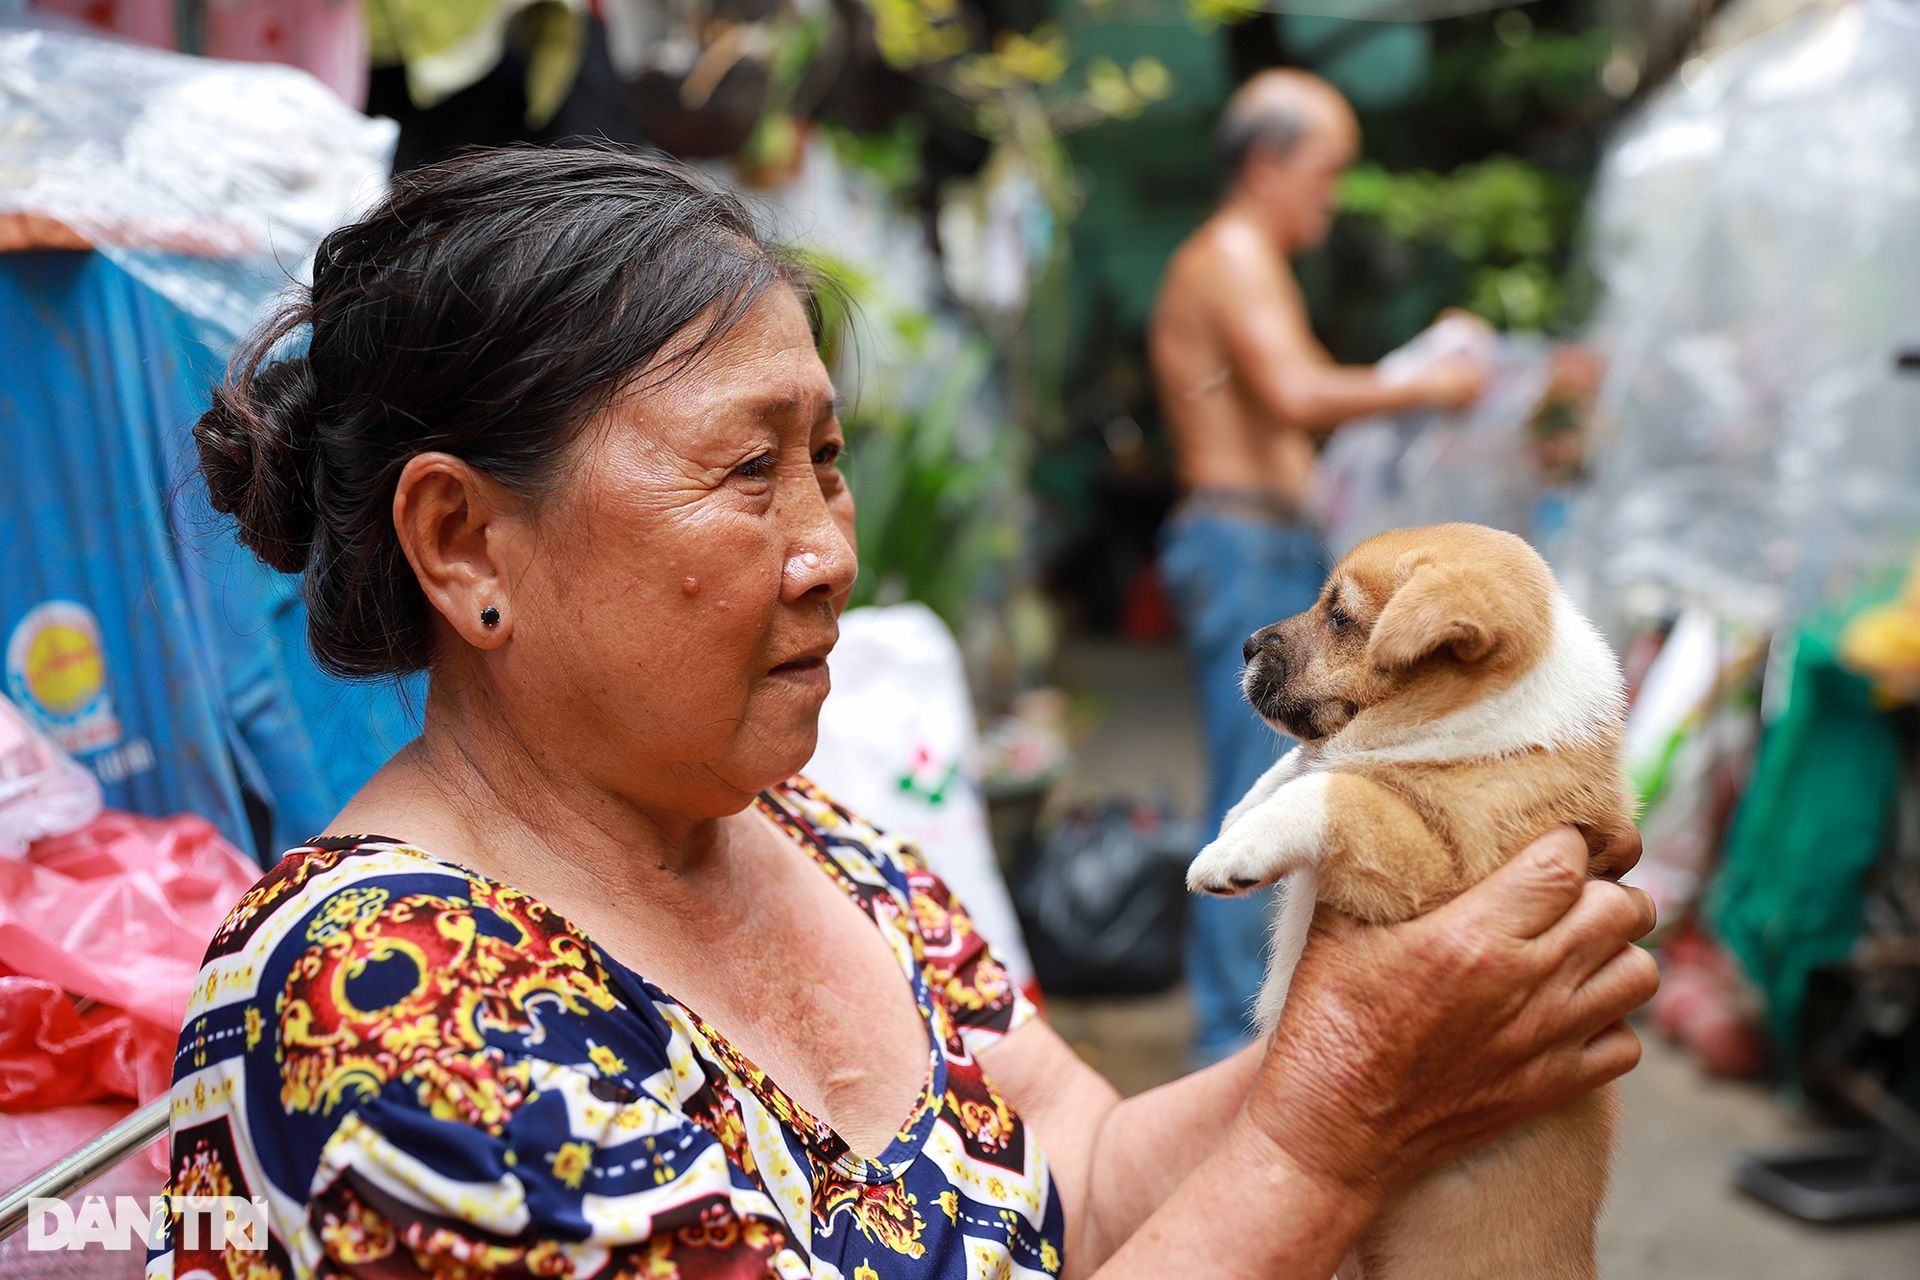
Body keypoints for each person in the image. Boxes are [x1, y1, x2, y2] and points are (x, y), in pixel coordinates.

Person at [151, 147, 1656, 1280]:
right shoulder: (389, 1009)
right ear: (467, 543)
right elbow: (1286, 1145)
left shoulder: (813, 843)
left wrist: (1424, 1032)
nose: (833, 552)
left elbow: (1075, 1161)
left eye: (828, 459)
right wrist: (1329, 1131)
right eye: (750, 474)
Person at [1150, 70, 1495, 1066]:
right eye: (1326, 171)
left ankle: (1254, 1040)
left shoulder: (1246, 257)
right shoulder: (1231, 253)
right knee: (1256, 801)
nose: (1332, 196)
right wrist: (1434, 381)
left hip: (1265, 538)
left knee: (1283, 786)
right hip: (1240, 539)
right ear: (1268, 163)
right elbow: (1298, 392)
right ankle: (1229, 1058)